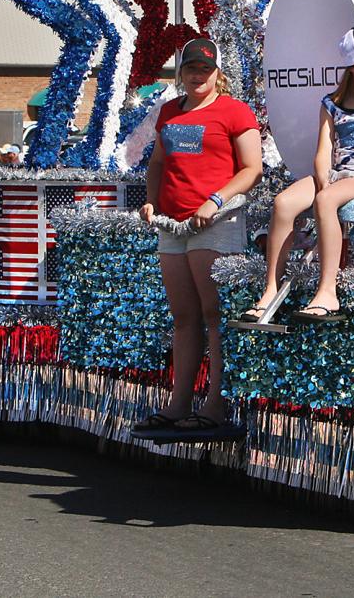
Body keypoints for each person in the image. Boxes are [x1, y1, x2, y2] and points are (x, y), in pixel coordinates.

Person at [134, 38, 263, 435]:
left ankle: (216, 403)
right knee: (184, 317)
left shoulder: (234, 111)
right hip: (172, 226)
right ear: (180, 72)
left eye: (204, 69)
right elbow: (157, 163)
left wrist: (215, 200)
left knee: (214, 315)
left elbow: (252, 169)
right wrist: (151, 202)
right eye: (190, 68)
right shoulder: (169, 112)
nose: (197, 75)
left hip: (216, 223)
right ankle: (177, 404)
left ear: (217, 73)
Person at [239, 28, 354, 324]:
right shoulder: (331, 103)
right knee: (284, 202)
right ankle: (270, 289)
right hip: (340, 174)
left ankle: (328, 291)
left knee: (328, 200)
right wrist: (321, 178)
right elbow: (323, 150)